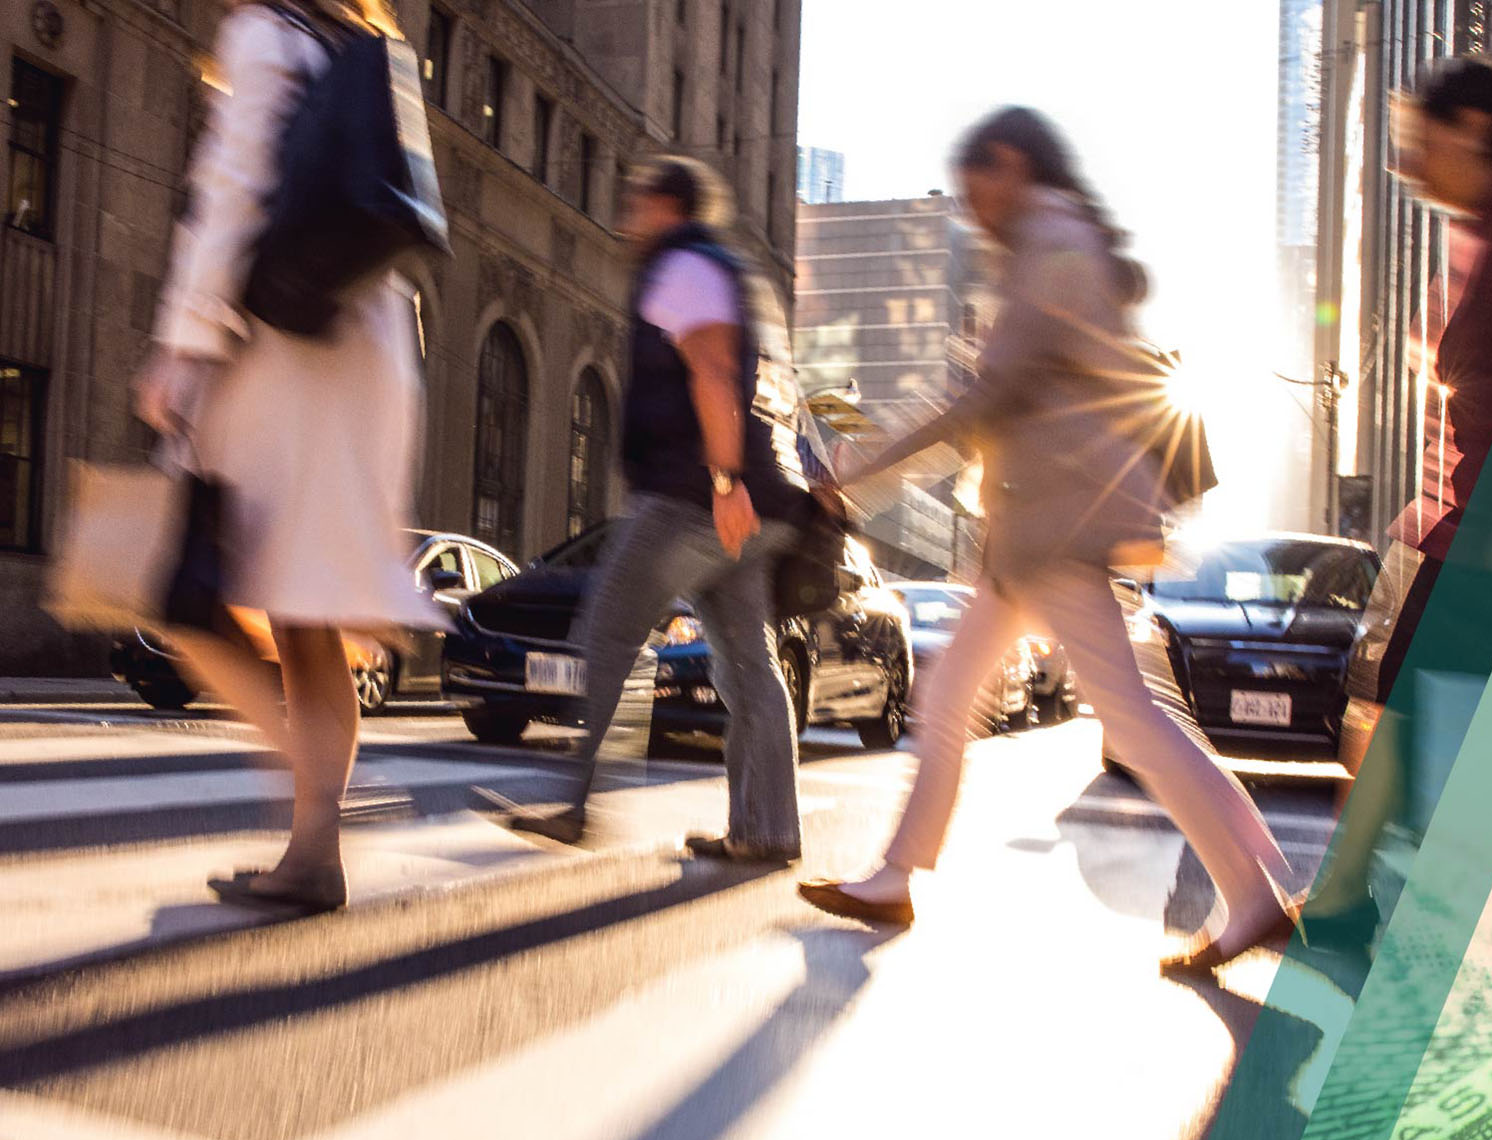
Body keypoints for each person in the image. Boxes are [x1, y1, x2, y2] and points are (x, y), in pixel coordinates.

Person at [797, 108, 1303, 976]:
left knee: (1130, 722)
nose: (971, 206)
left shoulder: (1051, 245)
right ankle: (897, 874)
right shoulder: (1050, 244)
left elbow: (986, 402)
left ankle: (1258, 893)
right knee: (954, 699)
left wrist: (858, 466)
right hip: (1032, 529)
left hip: (1055, 532)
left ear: (1014, 166)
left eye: (975, 185)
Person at [133, 0, 438, 913]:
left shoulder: (265, 34)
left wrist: (181, 345)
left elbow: (233, 189)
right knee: (302, 619)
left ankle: (308, 804)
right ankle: (314, 847)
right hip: (364, 350)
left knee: (189, 599)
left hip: (287, 362)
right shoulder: (357, 45)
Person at [1317, 59, 1492, 918]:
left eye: (1419, 141)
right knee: (1400, 698)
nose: (1406, 164)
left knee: (1431, 712)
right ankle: (1342, 896)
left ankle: (1366, 902)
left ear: (1474, 128)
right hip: (1471, 517)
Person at [501, 156, 807, 864]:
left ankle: (578, 806)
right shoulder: (727, 271)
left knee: (607, 631)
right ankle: (767, 830)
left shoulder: (685, 265)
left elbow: (712, 371)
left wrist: (725, 482)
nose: (627, 215)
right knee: (748, 668)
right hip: (747, 500)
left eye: (636, 201)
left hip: (691, 498)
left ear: (667, 206)